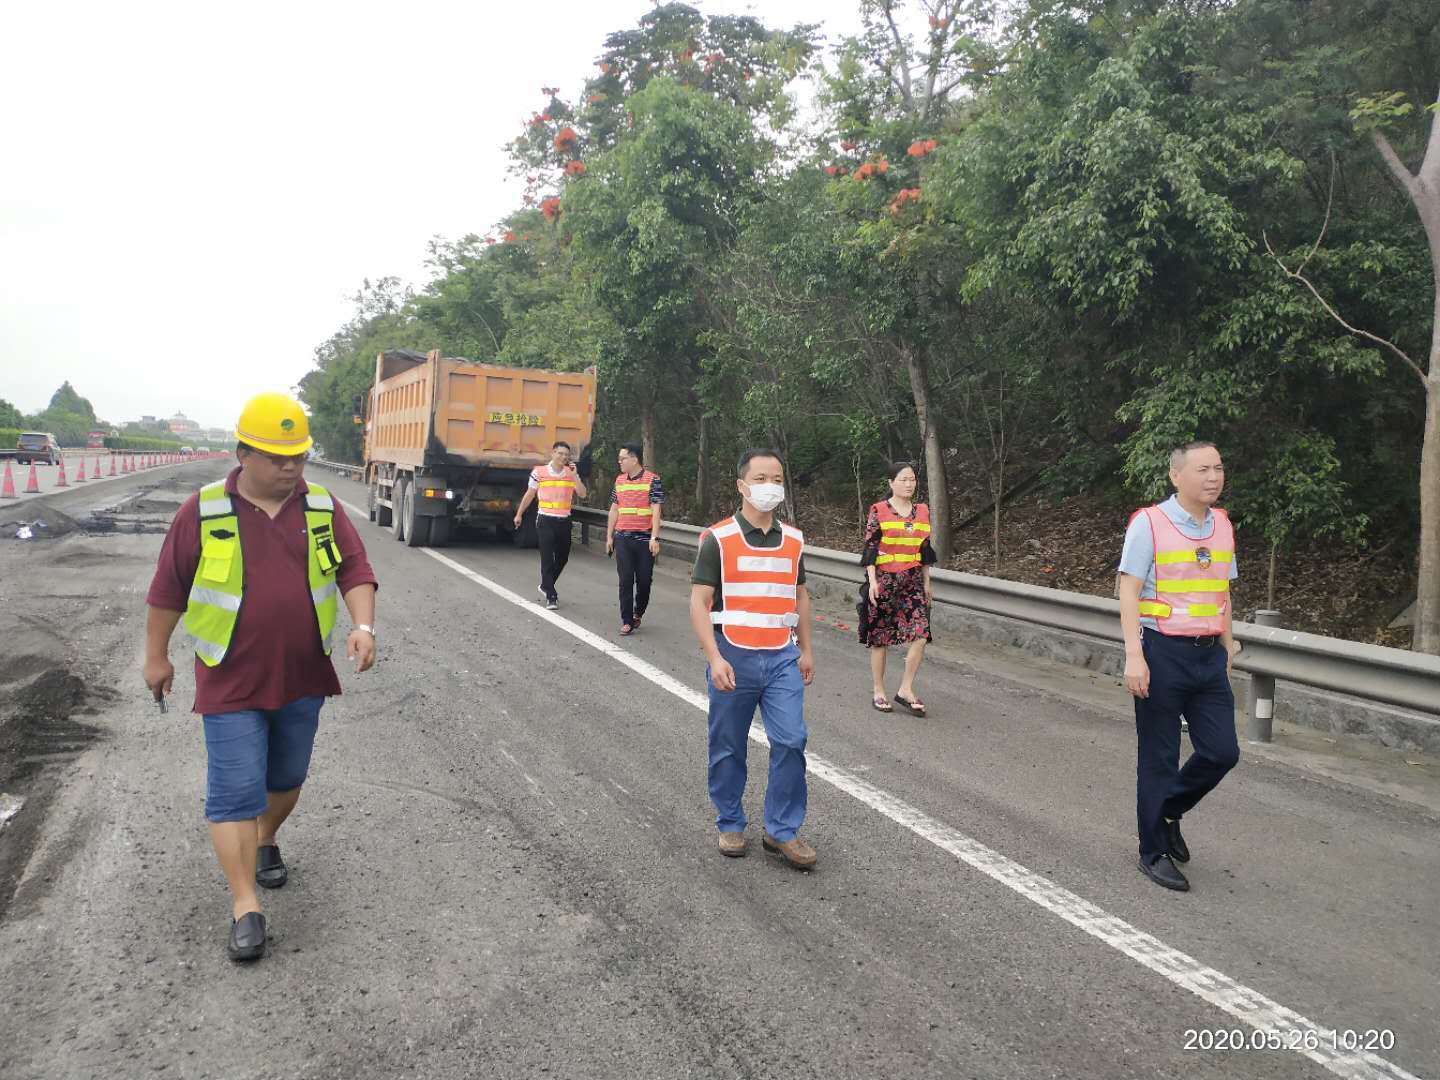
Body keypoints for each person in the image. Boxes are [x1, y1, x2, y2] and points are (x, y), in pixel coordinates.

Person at [142, 392, 378, 961]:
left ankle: (267, 837)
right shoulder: (203, 510)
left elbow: (356, 568)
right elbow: (168, 589)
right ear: (244, 453)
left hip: (303, 673)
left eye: (298, 455)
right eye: (277, 457)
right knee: (232, 792)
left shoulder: (320, 506)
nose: (291, 466)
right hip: (229, 676)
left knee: (287, 777)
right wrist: (157, 655)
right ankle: (245, 903)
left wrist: (364, 626)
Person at [1117, 440, 1240, 893]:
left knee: (1222, 752)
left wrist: (1228, 645)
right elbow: (1128, 590)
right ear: (1176, 476)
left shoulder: (1223, 524)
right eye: (1204, 469)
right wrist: (1134, 654)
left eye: (1219, 468)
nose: (1214, 477)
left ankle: (1168, 811)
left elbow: (1222, 590)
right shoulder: (1149, 523)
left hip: (1209, 656)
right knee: (1159, 757)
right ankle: (1153, 850)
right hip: (1162, 652)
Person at [689, 449, 817, 869]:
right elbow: (699, 601)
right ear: (742, 486)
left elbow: (799, 596)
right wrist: (714, 657)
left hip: (782, 656)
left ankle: (781, 830)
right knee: (727, 745)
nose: (770, 486)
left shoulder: (794, 540)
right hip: (733, 655)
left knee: (792, 740)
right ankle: (730, 822)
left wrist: (806, 649)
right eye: (760, 478)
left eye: (776, 478)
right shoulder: (719, 539)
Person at [858, 462, 936, 715]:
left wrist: (927, 583)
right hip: (884, 580)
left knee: (921, 634)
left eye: (912, 479)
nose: (908, 484)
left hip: (912, 581)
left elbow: (925, 551)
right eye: (903, 479)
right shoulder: (879, 510)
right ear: (891, 483)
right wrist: (872, 582)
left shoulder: (922, 511)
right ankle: (878, 691)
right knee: (880, 638)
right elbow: (870, 548)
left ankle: (905, 688)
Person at [514, 440, 587, 609]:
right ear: (552, 454)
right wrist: (519, 514)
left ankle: (546, 585)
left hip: (564, 520)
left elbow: (582, 494)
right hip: (545, 519)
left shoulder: (571, 473)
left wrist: (575, 475)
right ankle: (551, 596)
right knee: (547, 557)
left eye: (566, 455)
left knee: (563, 557)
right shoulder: (539, 472)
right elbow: (530, 494)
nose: (563, 457)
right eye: (560, 453)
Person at [605, 443, 663, 635]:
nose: (619, 462)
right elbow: (614, 509)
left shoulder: (652, 480)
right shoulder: (619, 481)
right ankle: (627, 620)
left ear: (634, 459)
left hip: (644, 539)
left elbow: (656, 510)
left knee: (645, 581)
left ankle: (638, 612)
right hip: (622, 538)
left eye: (622, 458)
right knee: (625, 580)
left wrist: (655, 538)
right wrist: (609, 537)